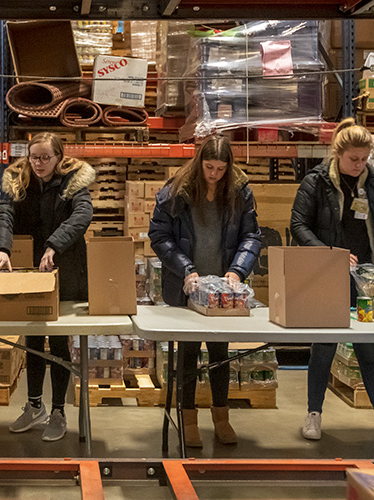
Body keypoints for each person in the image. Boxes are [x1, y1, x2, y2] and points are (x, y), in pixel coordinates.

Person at [290, 118, 374, 448]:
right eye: (353, 159)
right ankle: (313, 413)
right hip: (328, 274)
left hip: (367, 275)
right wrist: (330, 254)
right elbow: (298, 226)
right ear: (338, 153)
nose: (359, 165)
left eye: (364, 159)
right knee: (325, 345)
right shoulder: (316, 182)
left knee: (368, 348)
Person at [149, 135, 261, 448]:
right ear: (199, 162)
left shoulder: (239, 193)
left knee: (219, 354)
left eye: (221, 168)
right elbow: (159, 236)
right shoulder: (176, 191)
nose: (214, 174)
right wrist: (186, 269)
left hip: (222, 292)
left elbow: (252, 237)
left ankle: (221, 417)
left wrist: (237, 271)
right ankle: (188, 418)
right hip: (186, 288)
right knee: (186, 354)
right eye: (209, 166)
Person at [0, 132, 94, 442]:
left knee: (59, 345)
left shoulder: (74, 180)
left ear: (59, 157)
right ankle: (34, 405)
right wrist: (2, 248)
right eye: (34, 157)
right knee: (33, 341)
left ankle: (58, 410)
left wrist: (54, 245)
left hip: (66, 271)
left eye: (46, 158)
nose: (39, 163)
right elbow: (4, 215)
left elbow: (82, 214)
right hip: (28, 273)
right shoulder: (16, 179)